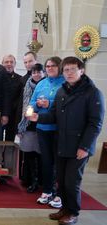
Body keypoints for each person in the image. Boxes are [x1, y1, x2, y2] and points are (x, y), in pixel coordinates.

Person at [28, 56, 104, 225]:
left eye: (72, 69)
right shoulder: (63, 90)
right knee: (61, 180)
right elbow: (53, 115)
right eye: (66, 70)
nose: (68, 73)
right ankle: (64, 209)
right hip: (62, 142)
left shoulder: (92, 92)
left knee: (72, 181)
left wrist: (85, 146)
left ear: (81, 70)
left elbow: (95, 123)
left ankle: (73, 212)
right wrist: (38, 117)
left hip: (79, 145)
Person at [29, 56, 65, 208]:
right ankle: (48, 191)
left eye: (53, 66)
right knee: (46, 161)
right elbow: (31, 103)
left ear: (60, 67)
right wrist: (34, 107)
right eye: (48, 66)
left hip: (58, 129)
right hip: (42, 128)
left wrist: (49, 103)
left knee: (59, 162)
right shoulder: (41, 84)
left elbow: (65, 104)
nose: (50, 68)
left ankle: (59, 194)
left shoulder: (65, 84)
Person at [17, 63, 45, 193]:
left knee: (41, 155)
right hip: (28, 124)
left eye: (39, 72)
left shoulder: (46, 86)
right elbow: (21, 105)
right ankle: (31, 180)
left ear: (43, 73)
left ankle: (41, 180)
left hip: (43, 124)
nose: (36, 74)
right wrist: (21, 124)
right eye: (34, 72)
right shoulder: (26, 84)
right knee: (28, 154)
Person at [18, 51, 38, 184]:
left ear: (36, 61)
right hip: (26, 121)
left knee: (38, 153)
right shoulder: (22, 80)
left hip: (40, 120)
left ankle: (37, 180)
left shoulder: (44, 79)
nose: (28, 64)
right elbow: (20, 103)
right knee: (26, 152)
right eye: (25, 62)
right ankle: (26, 178)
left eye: (30, 61)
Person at [1, 54, 22, 141]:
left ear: (15, 64)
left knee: (10, 141)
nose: (9, 64)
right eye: (6, 62)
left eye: (11, 62)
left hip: (13, 115)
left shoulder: (20, 79)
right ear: (2, 64)